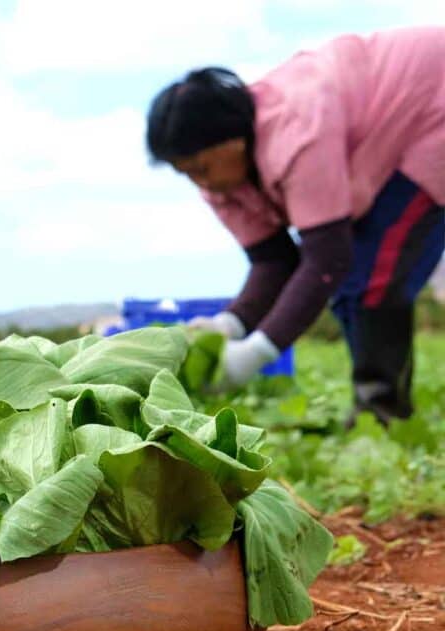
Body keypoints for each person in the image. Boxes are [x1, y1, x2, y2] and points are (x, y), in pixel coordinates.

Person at [146, 27, 445, 422]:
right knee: (352, 282)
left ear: (233, 140)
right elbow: (274, 261)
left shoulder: (297, 133)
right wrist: (229, 325)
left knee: (374, 275)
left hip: (431, 102)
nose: (201, 183)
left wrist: (256, 352)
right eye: (186, 173)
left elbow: (327, 259)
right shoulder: (223, 182)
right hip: (385, 144)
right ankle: (376, 410)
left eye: (202, 167)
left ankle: (381, 413)